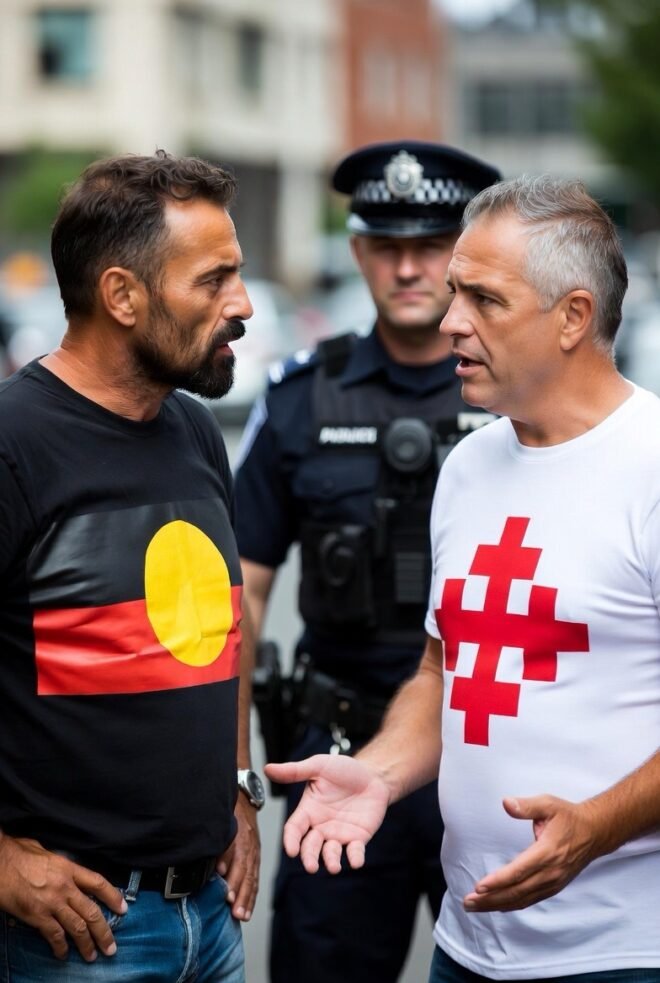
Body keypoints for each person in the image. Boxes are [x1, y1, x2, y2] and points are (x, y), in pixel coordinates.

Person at [266, 175, 660, 983]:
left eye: (483, 298)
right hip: (466, 947)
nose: (450, 322)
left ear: (574, 317)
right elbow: (446, 671)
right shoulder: (469, 465)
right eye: (453, 294)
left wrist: (597, 825)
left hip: (622, 952)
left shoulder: (650, 467)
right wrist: (375, 773)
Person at [233, 140, 500, 983]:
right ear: (357, 252)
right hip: (339, 746)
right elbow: (238, 597)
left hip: (490, 750)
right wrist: (231, 774)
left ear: (461, 253)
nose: (410, 267)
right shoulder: (300, 395)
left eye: (431, 246)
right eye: (387, 246)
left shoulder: (515, 392)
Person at [0, 150, 264, 982]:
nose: (243, 305)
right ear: (121, 295)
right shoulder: (14, 446)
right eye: (212, 281)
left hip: (210, 923)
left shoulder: (191, 430)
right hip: (75, 941)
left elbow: (223, 626)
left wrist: (237, 788)